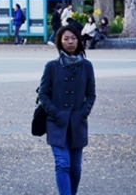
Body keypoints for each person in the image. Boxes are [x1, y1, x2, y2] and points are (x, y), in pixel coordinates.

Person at [39, 24, 96, 195]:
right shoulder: (52, 67)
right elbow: (43, 93)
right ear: (59, 42)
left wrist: (83, 112)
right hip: (57, 122)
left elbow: (91, 94)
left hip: (78, 122)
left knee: (75, 168)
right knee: (62, 163)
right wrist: (54, 112)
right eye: (66, 39)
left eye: (73, 38)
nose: (70, 42)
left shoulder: (86, 66)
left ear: (79, 40)